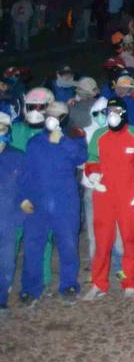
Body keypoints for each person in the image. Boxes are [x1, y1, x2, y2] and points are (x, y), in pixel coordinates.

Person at [17, 103, 86, 302]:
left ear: (64, 118)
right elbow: (27, 172)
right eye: (50, 114)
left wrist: (62, 141)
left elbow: (81, 157)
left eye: (58, 115)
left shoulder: (74, 136)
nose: (52, 117)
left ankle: (69, 285)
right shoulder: (35, 142)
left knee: (68, 246)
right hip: (37, 204)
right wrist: (23, 197)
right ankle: (31, 288)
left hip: (65, 204)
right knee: (33, 246)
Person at [82, 96, 134, 298]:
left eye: (117, 112)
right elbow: (92, 160)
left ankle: (130, 281)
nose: (112, 116)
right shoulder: (99, 135)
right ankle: (99, 283)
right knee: (102, 240)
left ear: (124, 114)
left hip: (127, 195)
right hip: (104, 194)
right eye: (109, 113)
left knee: (129, 238)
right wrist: (92, 174)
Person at [0, 112, 22, 312]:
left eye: (1, 128)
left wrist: (21, 216)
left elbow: (26, 189)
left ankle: (2, 297)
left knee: (6, 260)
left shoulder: (17, 157)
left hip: (8, 219)